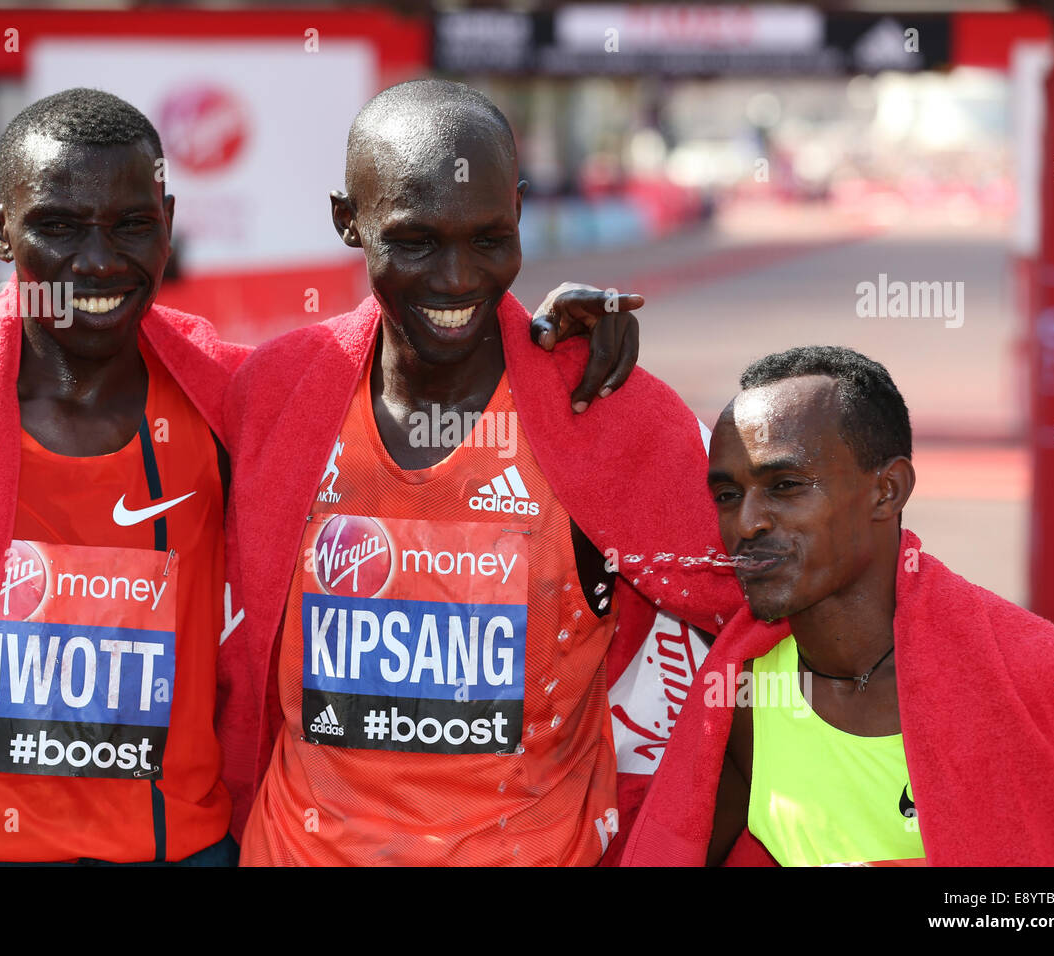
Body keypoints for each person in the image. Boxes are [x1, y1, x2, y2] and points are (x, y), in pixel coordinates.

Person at [0, 87, 636, 866]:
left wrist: (543, 345)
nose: (96, 264)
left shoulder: (235, 402)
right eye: (59, 227)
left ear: (168, 223)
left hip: (184, 851)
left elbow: (424, 445)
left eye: (131, 224)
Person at [216, 79, 744, 866]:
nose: (457, 279)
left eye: (490, 238)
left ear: (522, 211)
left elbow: (773, 583)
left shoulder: (594, 403)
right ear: (347, 221)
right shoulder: (277, 389)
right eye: (416, 241)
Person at [621, 346, 1054, 867]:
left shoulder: (1039, 683)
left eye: (785, 487)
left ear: (888, 491)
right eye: (726, 495)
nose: (747, 525)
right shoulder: (741, 698)